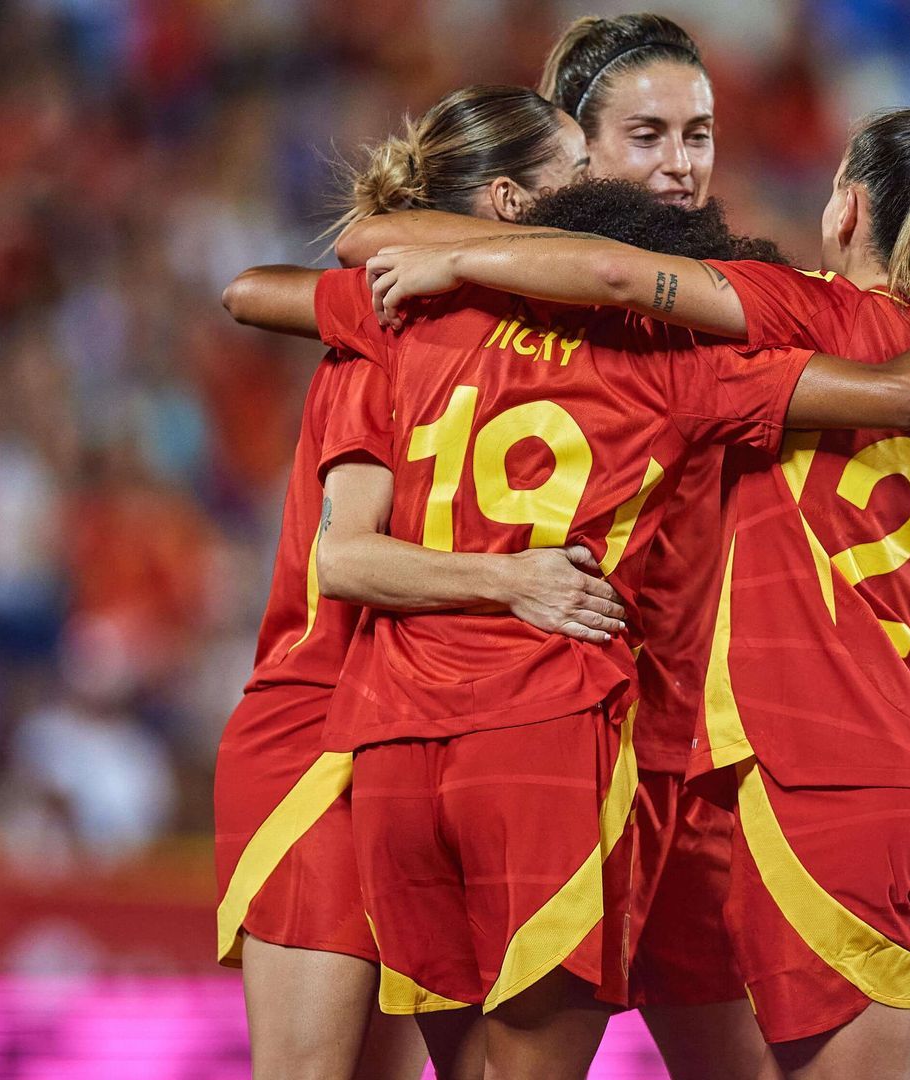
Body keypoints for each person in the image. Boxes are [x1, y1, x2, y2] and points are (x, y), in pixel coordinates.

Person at [363, 102, 910, 1080]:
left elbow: (617, 274)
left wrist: (464, 260)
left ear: (849, 210)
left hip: (832, 778)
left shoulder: (821, 314)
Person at [212, 84, 620, 1080]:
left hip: (421, 736)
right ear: (511, 201)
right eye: (580, 168)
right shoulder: (391, 325)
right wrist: (514, 581)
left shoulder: (547, 339)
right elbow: (344, 559)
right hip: (319, 735)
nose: (603, 187)